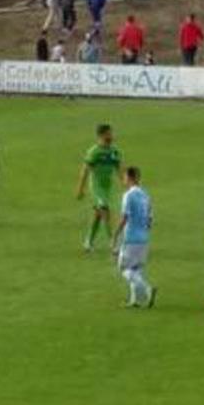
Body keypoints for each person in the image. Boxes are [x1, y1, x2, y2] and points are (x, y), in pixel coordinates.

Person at [110, 166, 157, 309]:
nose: (123, 180)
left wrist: (116, 234)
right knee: (136, 269)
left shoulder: (128, 195)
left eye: (124, 177)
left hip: (131, 238)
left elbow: (125, 217)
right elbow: (150, 219)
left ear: (130, 178)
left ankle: (147, 289)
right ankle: (134, 300)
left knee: (124, 268)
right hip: (143, 238)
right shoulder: (145, 195)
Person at [76, 124, 122, 253]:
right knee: (105, 210)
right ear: (102, 135)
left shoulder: (114, 151)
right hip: (96, 187)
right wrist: (81, 188)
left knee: (98, 214)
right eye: (109, 133)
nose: (112, 136)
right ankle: (113, 243)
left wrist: (127, 185)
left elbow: (119, 169)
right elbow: (85, 170)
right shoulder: (94, 152)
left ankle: (88, 242)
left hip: (107, 188)